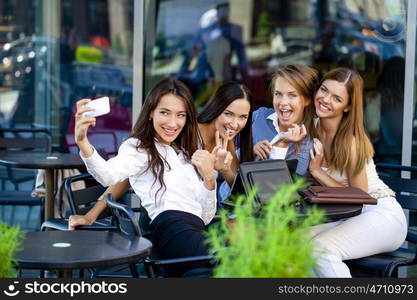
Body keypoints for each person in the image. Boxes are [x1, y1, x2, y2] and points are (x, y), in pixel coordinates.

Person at [74, 78, 221, 277]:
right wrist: (82, 142)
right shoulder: (140, 148)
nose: (172, 123)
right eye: (164, 112)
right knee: (235, 259)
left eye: (180, 115)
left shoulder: (187, 154)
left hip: (195, 231)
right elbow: (108, 175)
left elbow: (205, 216)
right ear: (151, 112)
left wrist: (209, 178)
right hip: (171, 230)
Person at [69, 82, 253, 227]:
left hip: (197, 218)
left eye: (242, 117)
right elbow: (126, 173)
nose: (234, 123)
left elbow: (240, 193)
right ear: (216, 109)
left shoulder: (225, 142)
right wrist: (92, 215)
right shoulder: (183, 132)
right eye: (229, 114)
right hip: (162, 220)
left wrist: (225, 170)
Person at [308, 67, 407, 277]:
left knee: (319, 250)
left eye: (336, 98)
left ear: (348, 106)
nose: (325, 99)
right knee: (289, 242)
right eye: (324, 90)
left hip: (380, 213)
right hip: (347, 215)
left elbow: (360, 197)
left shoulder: (350, 141)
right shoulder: (311, 127)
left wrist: (318, 172)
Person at [252, 64, 319, 175]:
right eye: (278, 94)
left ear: (307, 100)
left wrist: (282, 144)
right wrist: (251, 151)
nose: (283, 102)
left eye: (292, 95)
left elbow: (276, 186)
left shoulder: (307, 141)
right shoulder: (259, 116)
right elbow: (230, 155)